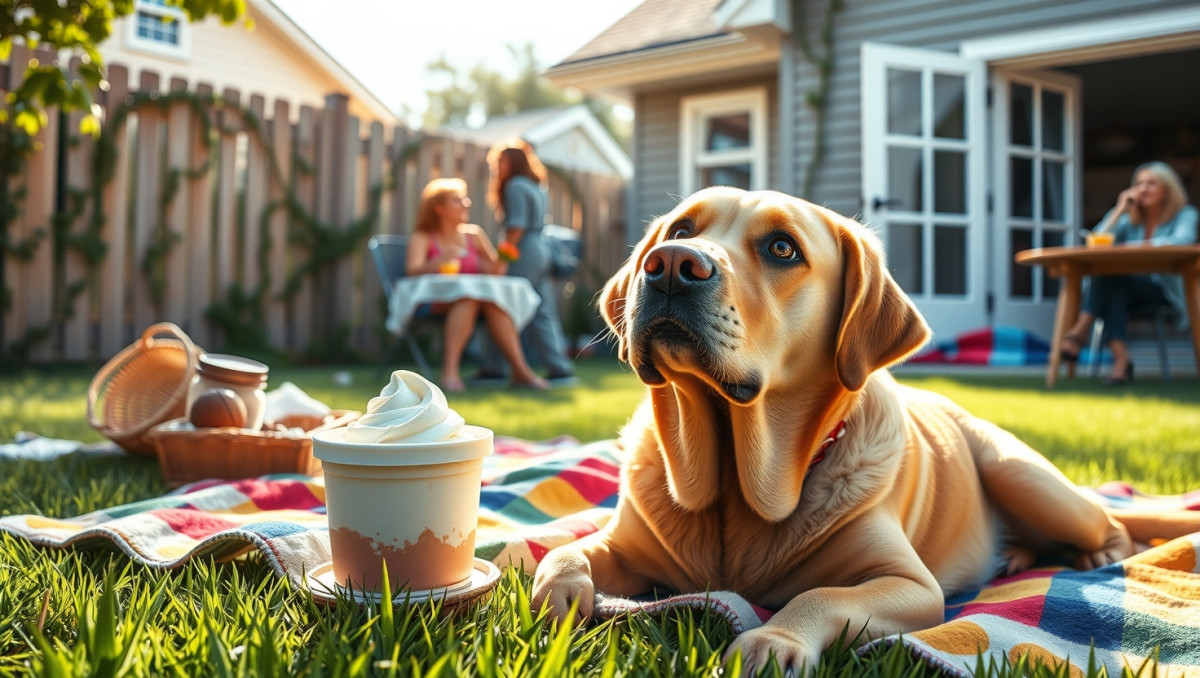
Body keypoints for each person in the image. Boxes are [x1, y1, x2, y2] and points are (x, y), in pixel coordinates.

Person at [1058, 161, 1198, 385]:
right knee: (1112, 285)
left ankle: (1080, 330)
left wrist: (1136, 248)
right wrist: (1118, 210)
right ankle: (1121, 362)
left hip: (1164, 291)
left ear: (1168, 190)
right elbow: (1095, 243)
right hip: (1126, 291)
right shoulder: (1129, 221)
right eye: (1139, 183)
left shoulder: (1185, 215)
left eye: (1151, 183)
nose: (1143, 189)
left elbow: (1182, 241)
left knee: (1109, 279)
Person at [406, 178, 549, 392]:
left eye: (464, 199)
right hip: (433, 301)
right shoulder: (424, 236)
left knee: (490, 301)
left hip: (475, 304)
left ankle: (520, 371)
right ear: (439, 208)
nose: (466, 204)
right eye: (457, 201)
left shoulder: (474, 235)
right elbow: (412, 270)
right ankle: (450, 371)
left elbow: (494, 271)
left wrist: (502, 259)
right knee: (468, 299)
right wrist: (439, 260)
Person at [474, 139, 576, 385]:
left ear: (511, 162)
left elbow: (516, 228)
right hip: (541, 250)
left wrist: (501, 260)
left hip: (523, 251)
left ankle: (495, 368)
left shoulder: (515, 186)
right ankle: (560, 368)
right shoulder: (535, 185)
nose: (497, 167)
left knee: (501, 304)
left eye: (500, 162)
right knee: (542, 311)